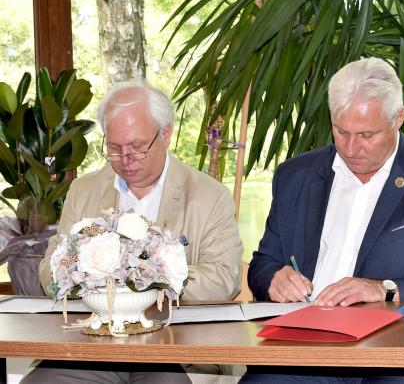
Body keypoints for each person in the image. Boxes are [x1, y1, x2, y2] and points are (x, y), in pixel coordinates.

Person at [243, 57, 404, 384]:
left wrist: (385, 289)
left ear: (398, 118)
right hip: (304, 353)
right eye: (341, 131)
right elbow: (263, 264)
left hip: (401, 357)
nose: (351, 148)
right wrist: (274, 279)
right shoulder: (295, 176)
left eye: (367, 134)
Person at [23, 80, 243, 384]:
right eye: (114, 148)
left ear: (165, 135)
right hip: (94, 347)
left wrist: (141, 281)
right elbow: (49, 271)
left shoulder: (209, 195)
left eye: (138, 147)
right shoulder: (84, 190)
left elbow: (224, 279)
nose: (125, 158)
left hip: (175, 350)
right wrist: (85, 271)